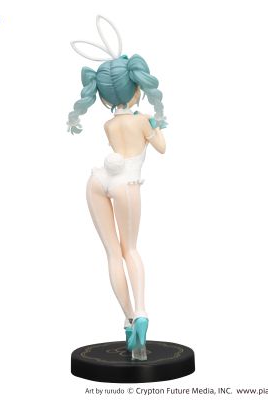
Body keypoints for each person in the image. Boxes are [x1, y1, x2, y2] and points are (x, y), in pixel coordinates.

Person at [68, 16, 167, 360]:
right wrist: (156, 125)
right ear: (137, 87)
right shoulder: (143, 121)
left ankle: (127, 322)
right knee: (131, 250)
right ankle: (141, 313)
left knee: (112, 253)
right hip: (127, 182)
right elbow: (161, 147)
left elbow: (118, 147)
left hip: (98, 179)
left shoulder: (109, 125)